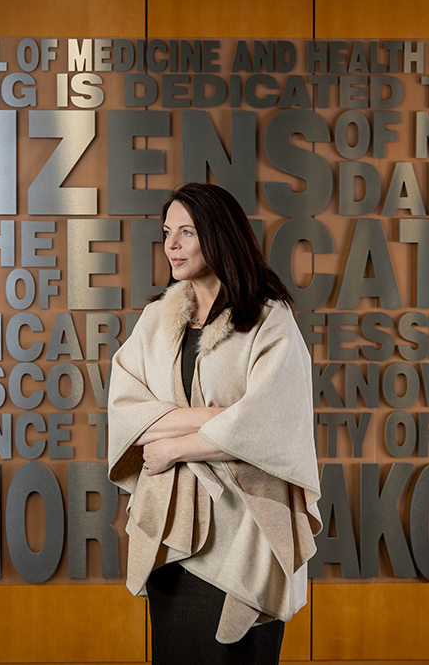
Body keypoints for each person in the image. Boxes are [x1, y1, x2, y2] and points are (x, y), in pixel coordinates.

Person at [107, 182, 321, 664]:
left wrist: (173, 447)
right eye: (167, 233)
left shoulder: (269, 319)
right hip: (171, 533)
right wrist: (218, 418)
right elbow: (125, 412)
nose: (173, 245)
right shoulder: (157, 320)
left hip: (244, 530)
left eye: (187, 232)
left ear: (219, 235)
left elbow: (273, 425)